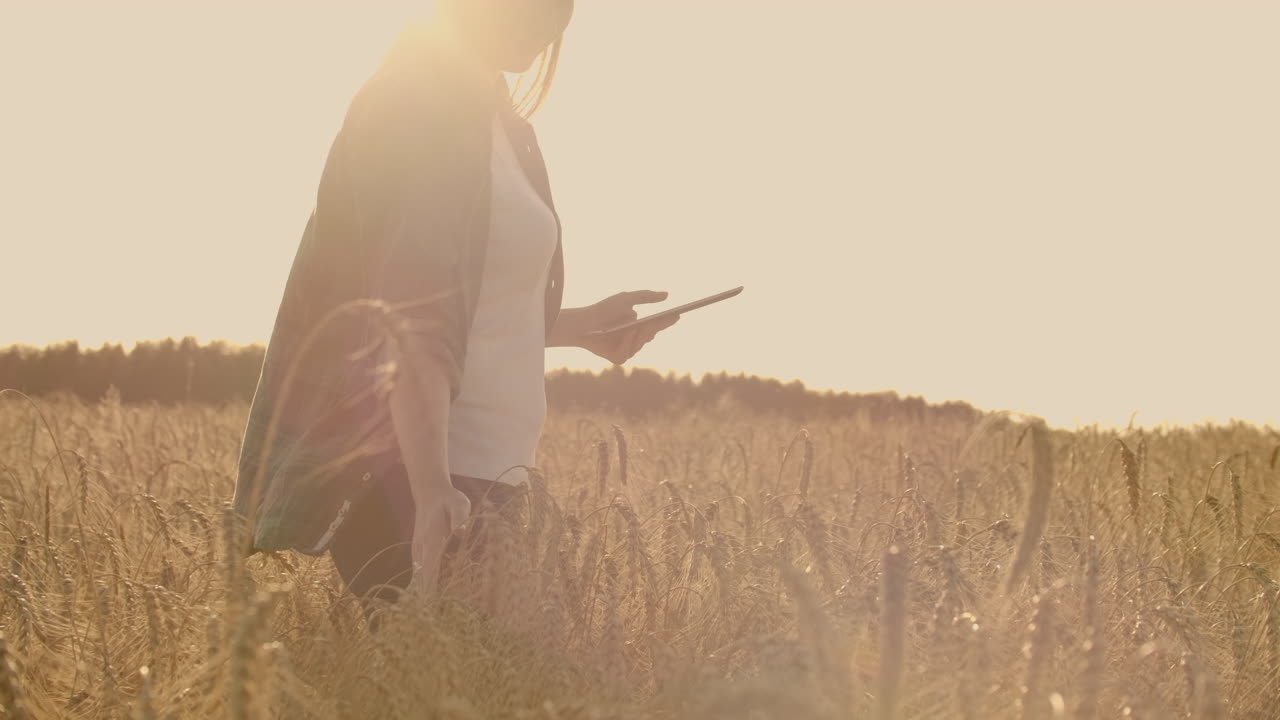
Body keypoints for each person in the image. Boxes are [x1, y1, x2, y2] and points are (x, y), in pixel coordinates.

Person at [230, 0, 680, 613]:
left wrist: (580, 327)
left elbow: (471, 304)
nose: (545, 28)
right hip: (424, 473)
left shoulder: (500, 124)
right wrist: (430, 487)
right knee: (452, 666)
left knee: (477, 667)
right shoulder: (417, 106)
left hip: (494, 470)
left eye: (558, 16)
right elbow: (410, 312)